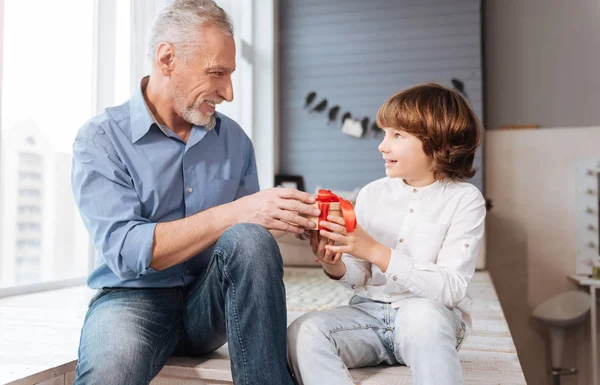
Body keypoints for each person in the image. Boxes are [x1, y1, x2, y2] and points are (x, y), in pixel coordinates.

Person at [70, 1, 317, 384]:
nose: (229, 92)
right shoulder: (101, 139)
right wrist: (237, 213)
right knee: (109, 372)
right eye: (217, 73)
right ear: (167, 58)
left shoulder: (235, 141)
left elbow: (244, 242)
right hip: (132, 299)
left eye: (231, 75)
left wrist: (286, 221)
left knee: (251, 238)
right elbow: (128, 251)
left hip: (210, 302)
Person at [287, 83, 486, 385]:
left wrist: (376, 251)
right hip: (368, 315)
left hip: (430, 317)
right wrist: (334, 263)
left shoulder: (464, 200)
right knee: (303, 331)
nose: (382, 145)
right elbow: (360, 276)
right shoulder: (372, 194)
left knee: (424, 321)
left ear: (439, 144)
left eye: (397, 135)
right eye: (384, 134)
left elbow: (452, 288)